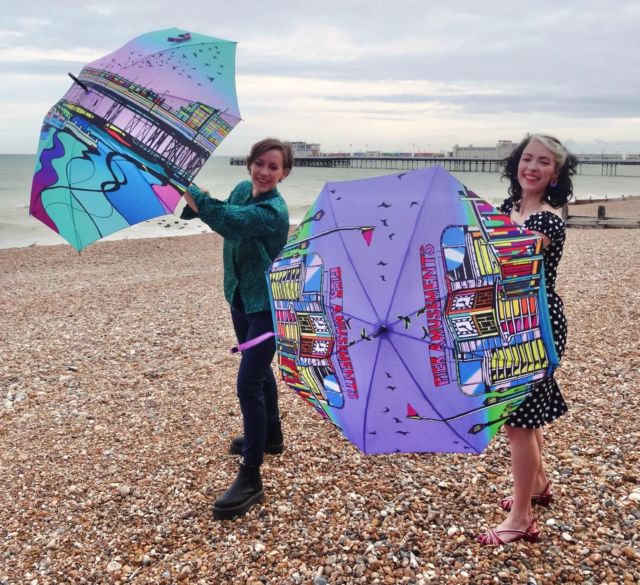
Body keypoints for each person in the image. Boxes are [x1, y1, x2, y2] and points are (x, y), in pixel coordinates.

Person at [181, 138, 292, 520]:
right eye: (259, 163)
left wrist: (187, 185)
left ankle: (251, 477)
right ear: (250, 164)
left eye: (273, 167)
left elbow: (231, 220)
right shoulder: (244, 189)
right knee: (260, 371)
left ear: (284, 173)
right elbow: (227, 216)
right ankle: (271, 437)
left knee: (248, 383)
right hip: (240, 295)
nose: (263, 171)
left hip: (267, 305)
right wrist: (202, 206)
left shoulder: (274, 211)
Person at [477, 134, 578, 546]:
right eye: (526, 159)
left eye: (543, 163)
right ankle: (537, 484)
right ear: (516, 164)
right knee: (527, 413)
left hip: (534, 324)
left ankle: (522, 518)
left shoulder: (546, 220)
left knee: (517, 421)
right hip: (509, 319)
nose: (532, 167)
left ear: (555, 175)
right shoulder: (509, 209)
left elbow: (511, 258)